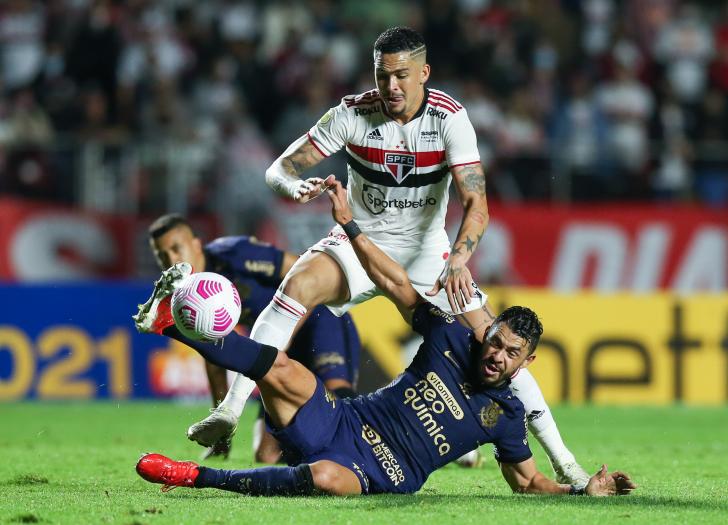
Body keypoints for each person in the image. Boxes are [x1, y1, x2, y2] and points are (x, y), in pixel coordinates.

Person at [191, 26, 590, 485]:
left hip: (429, 255)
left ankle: (567, 467)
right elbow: (278, 169)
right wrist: (293, 186)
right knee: (297, 286)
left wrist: (457, 261)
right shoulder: (351, 114)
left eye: (401, 75)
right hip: (358, 242)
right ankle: (231, 408)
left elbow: (477, 204)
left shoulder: (450, 120)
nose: (391, 87)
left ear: (424, 73)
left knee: (495, 341)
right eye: (383, 76)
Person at [133, 183, 636, 497]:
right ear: (488, 332)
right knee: (281, 369)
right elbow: (397, 282)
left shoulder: (505, 418)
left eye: (511, 354)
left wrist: (579, 490)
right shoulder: (448, 336)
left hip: (383, 472)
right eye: (496, 341)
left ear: (525, 364)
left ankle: (194, 478)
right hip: (345, 419)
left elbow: (529, 484)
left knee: (327, 479)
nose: (497, 355)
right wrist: (352, 229)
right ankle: (169, 324)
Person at [141, 214, 360, 461]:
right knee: (266, 455)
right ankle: (317, 463)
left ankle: (370, 455)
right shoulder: (190, 300)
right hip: (273, 349)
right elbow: (215, 361)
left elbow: (307, 275)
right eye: (162, 255)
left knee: (339, 397)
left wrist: (283, 334)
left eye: (175, 248)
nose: (171, 260)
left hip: (321, 321)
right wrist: (220, 428)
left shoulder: (235, 254)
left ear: (195, 244)